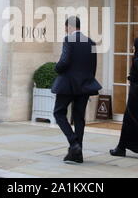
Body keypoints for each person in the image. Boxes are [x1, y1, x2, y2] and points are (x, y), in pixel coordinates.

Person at [52, 16, 102, 164]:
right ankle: (77, 154)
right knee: (79, 118)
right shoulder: (91, 42)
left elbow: (64, 61)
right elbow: (93, 66)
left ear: (68, 26)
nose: (65, 29)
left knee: (58, 113)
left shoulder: (68, 40)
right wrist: (88, 81)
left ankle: (74, 144)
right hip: (85, 85)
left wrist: (57, 68)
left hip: (68, 84)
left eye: (65, 27)